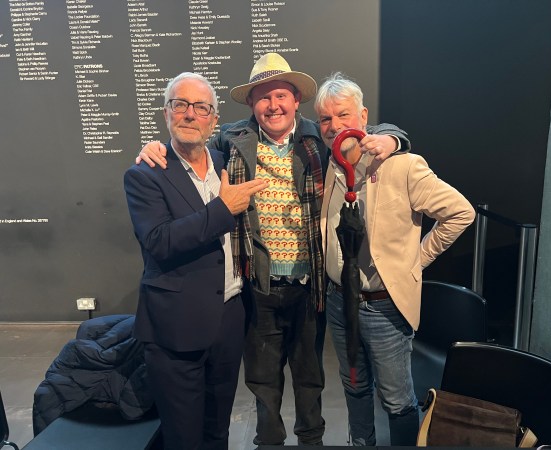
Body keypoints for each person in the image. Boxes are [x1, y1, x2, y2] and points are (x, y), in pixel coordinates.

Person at [136, 53, 409, 446]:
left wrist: (392, 137)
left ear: (296, 100)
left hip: (309, 287)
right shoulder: (231, 140)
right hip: (258, 288)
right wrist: (155, 147)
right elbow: (187, 141)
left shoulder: (319, 138)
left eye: (281, 95)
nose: (273, 105)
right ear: (251, 103)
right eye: (263, 97)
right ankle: (269, 443)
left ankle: (311, 441)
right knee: (263, 383)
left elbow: (363, 127)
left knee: (310, 381)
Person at [315, 72, 476, 446]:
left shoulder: (402, 166)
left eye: (343, 115)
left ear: (363, 116)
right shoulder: (328, 166)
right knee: (354, 388)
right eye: (325, 118)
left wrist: (416, 261)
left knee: (397, 400)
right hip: (341, 302)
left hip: (383, 307)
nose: (334, 125)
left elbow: (460, 213)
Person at [123, 72, 268, 450]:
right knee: (183, 438)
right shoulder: (144, 174)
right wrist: (223, 209)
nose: (190, 114)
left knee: (218, 431)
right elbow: (159, 241)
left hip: (228, 318)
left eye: (201, 108)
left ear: (214, 120)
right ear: (166, 113)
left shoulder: (224, 160)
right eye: (180, 104)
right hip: (176, 327)